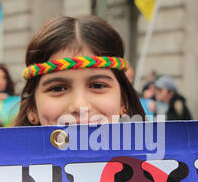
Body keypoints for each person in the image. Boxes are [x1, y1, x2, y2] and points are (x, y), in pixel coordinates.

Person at [13, 15, 146, 127]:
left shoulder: (158, 157)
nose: (79, 106)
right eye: (58, 88)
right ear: (32, 108)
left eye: (97, 86)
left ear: (123, 101)